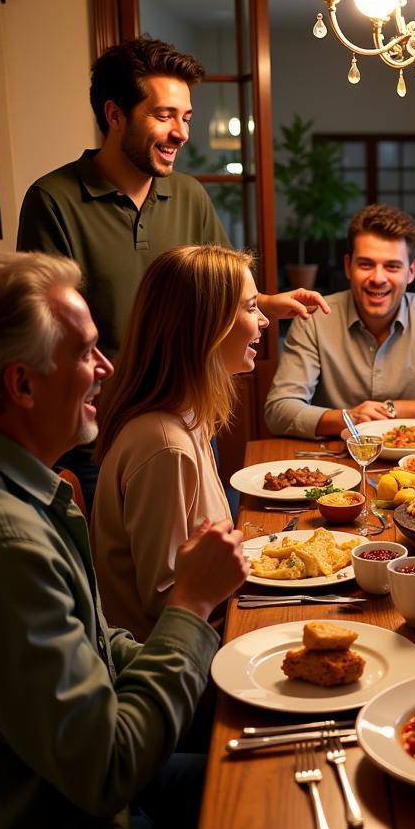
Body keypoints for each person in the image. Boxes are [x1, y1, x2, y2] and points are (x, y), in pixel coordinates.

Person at [0, 252, 248, 829]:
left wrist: (235, 664)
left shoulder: (14, 483)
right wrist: (193, 605)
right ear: (21, 383)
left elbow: (103, 647)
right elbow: (107, 765)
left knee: (272, 778)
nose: (106, 368)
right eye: (85, 352)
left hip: (80, 802)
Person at [17, 36, 326, 509]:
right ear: (115, 114)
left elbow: (215, 293)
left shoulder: (188, 194)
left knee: (209, 549)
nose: (181, 133)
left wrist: (266, 303)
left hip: (189, 415)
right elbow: (47, 334)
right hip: (102, 431)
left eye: (186, 118)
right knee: (130, 575)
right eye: (163, 116)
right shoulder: (53, 199)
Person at [92, 245, 267, 641]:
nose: (264, 320)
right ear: (206, 325)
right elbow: (165, 604)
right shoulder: (164, 446)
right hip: (177, 669)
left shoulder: (190, 417)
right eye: (251, 307)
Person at [265, 203, 415, 438]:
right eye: (366, 264)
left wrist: (392, 410)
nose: (378, 278)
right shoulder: (314, 319)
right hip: (334, 460)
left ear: (411, 272)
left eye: (392, 266)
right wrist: (349, 418)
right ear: (348, 266)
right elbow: (279, 409)